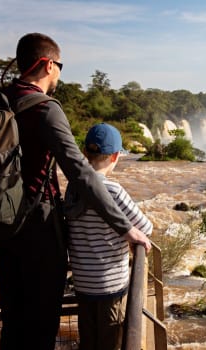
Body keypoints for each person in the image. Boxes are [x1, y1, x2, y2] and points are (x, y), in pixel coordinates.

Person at [0, 32, 152, 350]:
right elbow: (81, 175)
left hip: (0, 227)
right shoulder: (45, 109)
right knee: (41, 323)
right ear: (48, 64)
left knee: (14, 319)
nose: (60, 73)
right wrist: (127, 228)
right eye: (60, 65)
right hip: (37, 229)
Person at [65, 123, 153, 350]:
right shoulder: (113, 190)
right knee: (110, 341)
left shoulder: (73, 188)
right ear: (115, 156)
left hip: (83, 284)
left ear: (85, 153)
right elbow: (146, 227)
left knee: (89, 341)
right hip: (109, 287)